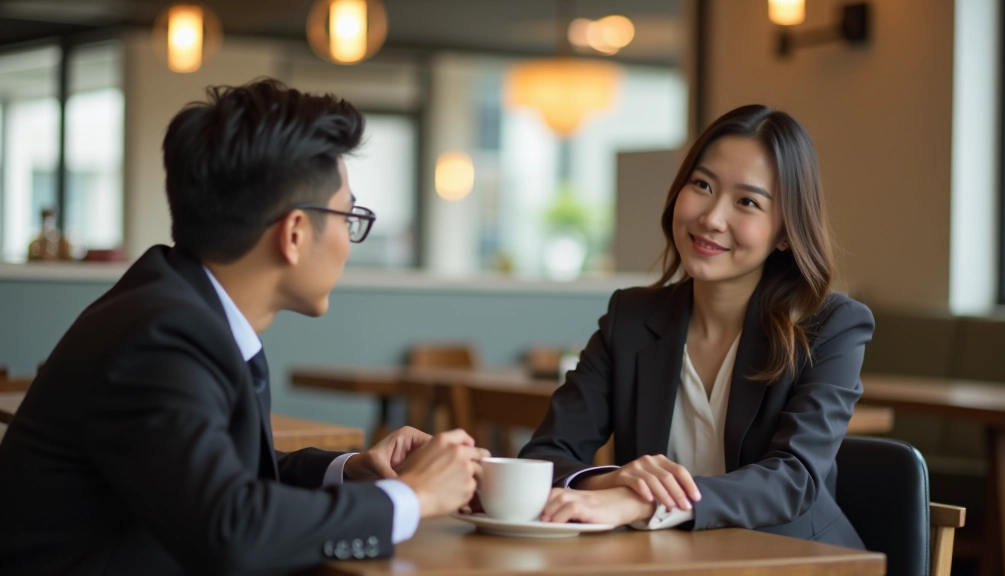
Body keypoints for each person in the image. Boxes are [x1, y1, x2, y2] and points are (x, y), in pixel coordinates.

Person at [0, 79, 487, 575]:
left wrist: (348, 469)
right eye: (348, 216)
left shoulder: (175, 304)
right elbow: (232, 530)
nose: (349, 238)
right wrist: (409, 496)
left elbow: (220, 478)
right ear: (295, 233)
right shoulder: (162, 337)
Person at [519, 104, 873, 548]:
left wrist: (647, 503)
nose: (711, 218)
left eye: (747, 202)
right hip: (669, 559)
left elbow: (794, 479)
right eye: (702, 185)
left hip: (794, 559)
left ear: (785, 232)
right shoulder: (629, 320)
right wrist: (610, 483)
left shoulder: (831, 325)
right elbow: (545, 457)